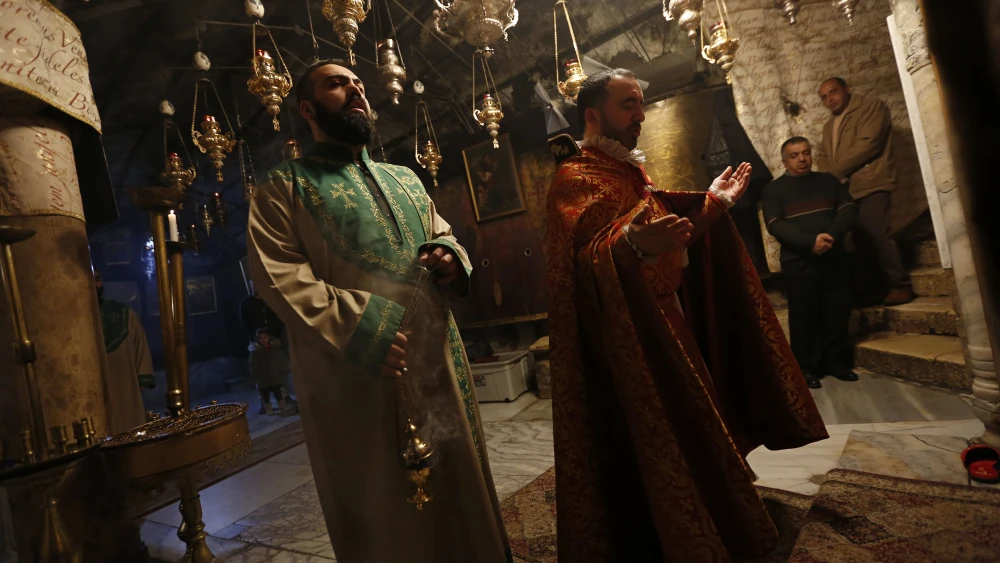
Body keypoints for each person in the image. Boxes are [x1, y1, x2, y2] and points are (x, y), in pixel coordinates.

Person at [545, 68, 828, 562]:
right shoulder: (575, 178)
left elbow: (671, 245)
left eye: (640, 104)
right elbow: (581, 268)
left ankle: (710, 517)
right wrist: (629, 242)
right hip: (627, 342)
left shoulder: (628, 172)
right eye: (628, 105)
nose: (640, 115)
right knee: (653, 440)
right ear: (594, 116)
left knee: (693, 426)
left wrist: (713, 207)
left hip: (666, 321)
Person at [247, 59, 510, 563]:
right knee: (383, 502)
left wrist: (450, 256)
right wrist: (362, 327)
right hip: (352, 370)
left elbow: (443, 233)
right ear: (307, 108)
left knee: (460, 482)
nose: (355, 90)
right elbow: (276, 272)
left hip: (436, 358)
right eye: (336, 84)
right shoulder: (284, 186)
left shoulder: (406, 179)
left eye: (359, 83)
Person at [762, 137, 859, 389]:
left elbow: (848, 208)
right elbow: (775, 225)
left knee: (837, 309)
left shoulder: (828, 181)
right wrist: (811, 242)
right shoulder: (774, 190)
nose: (802, 159)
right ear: (784, 161)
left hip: (834, 256)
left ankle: (836, 363)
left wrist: (832, 236)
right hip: (799, 262)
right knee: (804, 315)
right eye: (794, 155)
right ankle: (805, 367)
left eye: (805, 153)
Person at [816, 77, 914, 306]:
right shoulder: (830, 125)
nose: (829, 98)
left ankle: (900, 286)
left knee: (879, 235)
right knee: (860, 242)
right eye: (824, 96)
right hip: (847, 189)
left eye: (833, 92)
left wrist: (833, 174)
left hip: (872, 183)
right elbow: (823, 156)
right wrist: (825, 183)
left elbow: (868, 144)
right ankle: (875, 291)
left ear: (847, 89)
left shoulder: (872, 107)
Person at [95, 269, 154, 434]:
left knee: (129, 424)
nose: (94, 284)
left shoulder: (123, 313)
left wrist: (143, 376)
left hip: (124, 383)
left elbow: (139, 344)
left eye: (98, 279)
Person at [248, 328, 293, 415]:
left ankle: (282, 406)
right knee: (265, 393)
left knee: (277, 391)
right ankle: (268, 408)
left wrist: (285, 368)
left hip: (275, 374)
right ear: (257, 339)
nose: (264, 340)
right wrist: (255, 377)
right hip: (262, 376)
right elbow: (253, 365)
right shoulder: (256, 351)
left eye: (265, 337)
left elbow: (281, 358)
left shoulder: (275, 347)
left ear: (269, 337)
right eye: (261, 338)